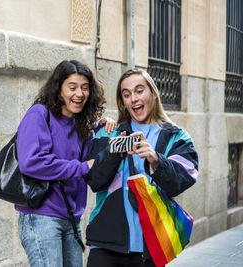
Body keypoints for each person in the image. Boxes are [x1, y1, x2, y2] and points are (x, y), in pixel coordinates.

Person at [83, 68, 199, 266]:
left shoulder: (177, 136)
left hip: (151, 246)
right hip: (106, 246)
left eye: (139, 91)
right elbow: (95, 181)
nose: (133, 99)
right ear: (123, 102)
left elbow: (181, 182)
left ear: (153, 93)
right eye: (126, 94)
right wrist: (115, 153)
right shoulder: (108, 133)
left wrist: (156, 160)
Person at [15, 59, 115, 267]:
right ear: (59, 89)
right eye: (72, 87)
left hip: (71, 217)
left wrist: (101, 132)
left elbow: (88, 158)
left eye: (85, 88)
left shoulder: (81, 125)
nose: (79, 94)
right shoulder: (39, 114)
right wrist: (81, 167)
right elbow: (31, 162)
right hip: (41, 216)